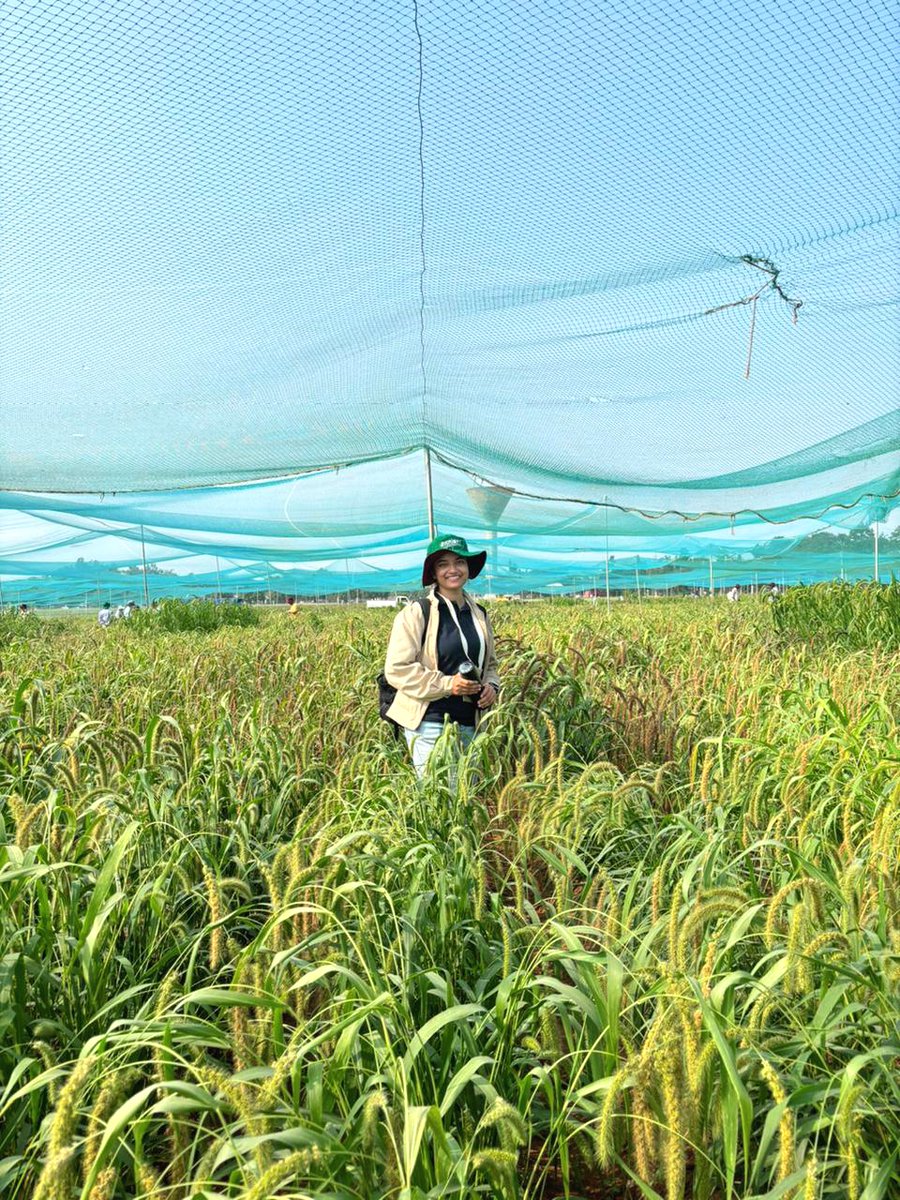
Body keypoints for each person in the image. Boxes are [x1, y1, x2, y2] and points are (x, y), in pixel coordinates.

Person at [384, 533, 501, 777]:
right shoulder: (417, 613)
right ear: (434, 573)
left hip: (472, 722)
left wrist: (492, 685)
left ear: (468, 568)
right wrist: (449, 684)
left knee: (468, 791)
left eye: (459, 562)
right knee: (438, 792)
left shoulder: (479, 614)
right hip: (429, 722)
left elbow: (490, 663)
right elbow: (397, 669)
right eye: (443, 564)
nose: (453, 569)